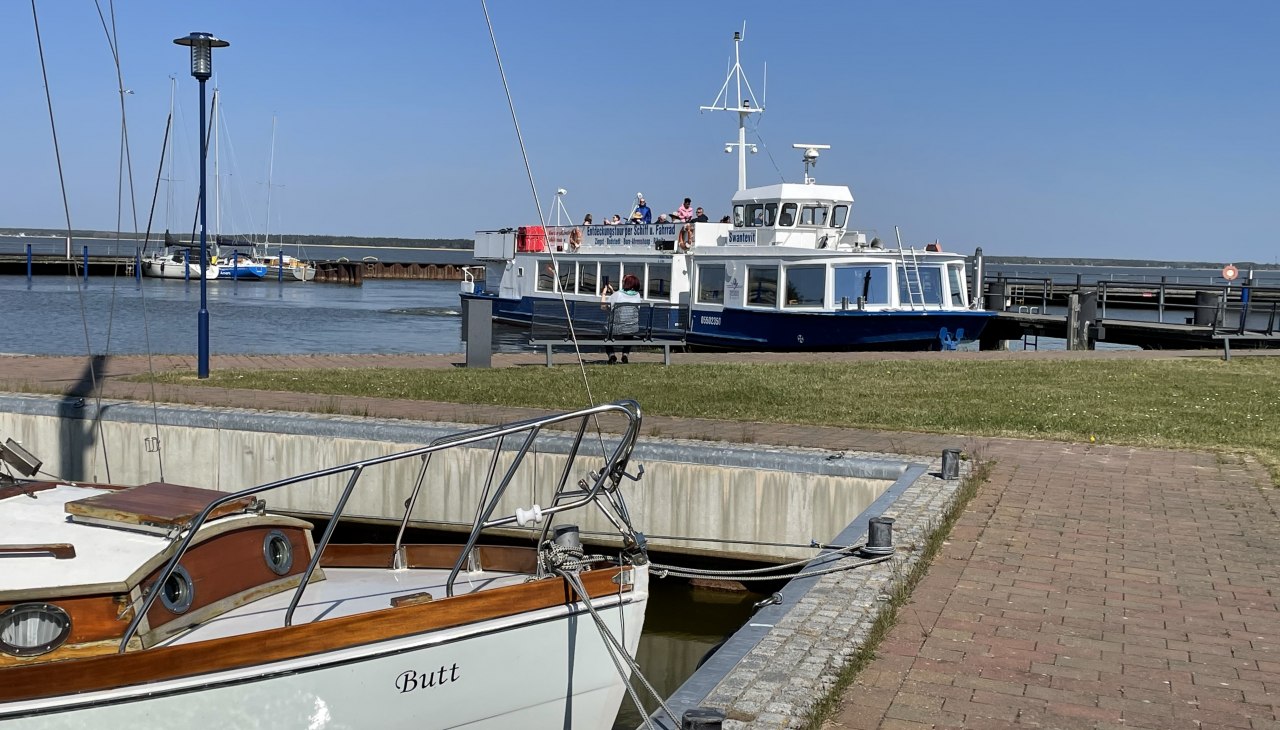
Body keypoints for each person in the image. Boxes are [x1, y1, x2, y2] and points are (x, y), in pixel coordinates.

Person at [602, 273, 641, 364]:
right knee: (629, 332)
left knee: (606, 333)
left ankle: (611, 355)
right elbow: (622, 298)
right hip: (632, 328)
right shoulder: (637, 295)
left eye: (624, 281)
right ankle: (625, 355)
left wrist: (604, 293)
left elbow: (603, 307)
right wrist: (613, 291)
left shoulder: (618, 295)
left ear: (627, 284)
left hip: (616, 328)